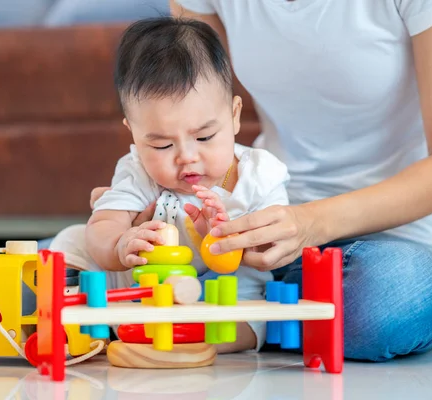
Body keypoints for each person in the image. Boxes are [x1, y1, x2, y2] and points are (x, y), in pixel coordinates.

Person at [90, 0, 432, 362]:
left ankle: (236, 319)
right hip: (265, 244)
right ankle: (269, 317)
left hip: (392, 245)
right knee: (57, 271)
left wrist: (310, 223)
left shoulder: (261, 174)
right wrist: (127, 223)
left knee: (391, 294)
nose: (186, 153)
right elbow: (185, 106)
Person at [48, 16, 292, 353]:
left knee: (254, 319)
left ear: (235, 116)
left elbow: (273, 252)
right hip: (135, 293)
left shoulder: (259, 174)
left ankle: (168, 338)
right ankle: (78, 319)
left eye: (205, 136)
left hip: (226, 296)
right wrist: (120, 245)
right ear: (133, 132)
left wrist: (225, 237)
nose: (186, 157)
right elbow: (103, 224)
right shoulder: (138, 171)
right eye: (162, 145)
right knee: (71, 240)